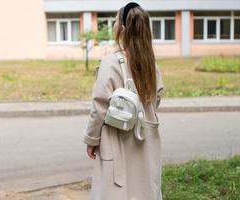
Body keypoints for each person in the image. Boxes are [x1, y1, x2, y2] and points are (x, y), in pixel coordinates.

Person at [83, 2, 164, 200]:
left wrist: (92, 140)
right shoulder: (150, 63)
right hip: (144, 135)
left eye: (115, 20)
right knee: (143, 187)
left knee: (116, 190)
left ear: (122, 28)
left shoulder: (111, 62)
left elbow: (100, 105)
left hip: (116, 138)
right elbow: (157, 97)